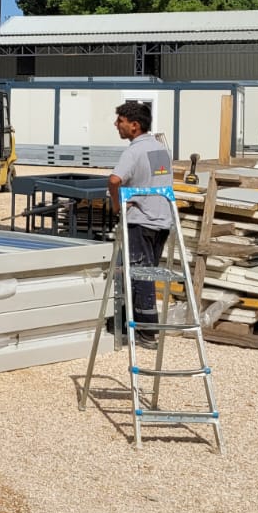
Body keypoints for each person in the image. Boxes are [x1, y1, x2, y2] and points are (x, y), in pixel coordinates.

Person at [108, 100, 175, 341]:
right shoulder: (160, 149)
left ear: (134, 125)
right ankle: (139, 324)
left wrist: (116, 204)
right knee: (148, 273)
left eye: (121, 121)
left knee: (139, 276)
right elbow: (156, 181)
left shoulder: (134, 151)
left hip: (141, 220)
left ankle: (146, 331)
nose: (116, 125)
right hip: (161, 220)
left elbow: (114, 180)